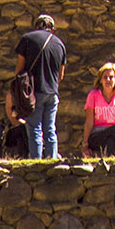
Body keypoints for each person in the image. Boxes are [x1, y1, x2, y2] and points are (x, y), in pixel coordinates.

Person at [14, 13, 67, 159]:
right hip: (52, 92)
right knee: (50, 129)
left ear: (36, 26)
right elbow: (61, 75)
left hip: (34, 91)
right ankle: (52, 159)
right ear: (52, 29)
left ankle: (36, 161)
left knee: (34, 128)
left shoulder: (27, 39)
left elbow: (19, 69)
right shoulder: (60, 44)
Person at [82, 62, 115, 157]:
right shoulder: (93, 95)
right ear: (100, 80)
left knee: (112, 138)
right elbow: (89, 121)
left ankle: (110, 167)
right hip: (97, 135)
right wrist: (85, 145)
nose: (108, 80)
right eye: (105, 77)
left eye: (111, 77)